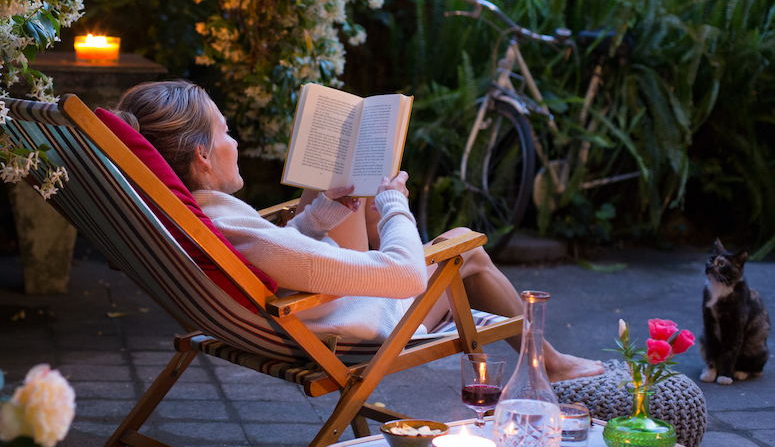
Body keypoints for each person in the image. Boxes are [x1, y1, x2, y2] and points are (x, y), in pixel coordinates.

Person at [114, 80, 603, 382]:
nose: (234, 141)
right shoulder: (240, 231)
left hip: (305, 307)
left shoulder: (197, 217)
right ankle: (549, 365)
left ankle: (544, 356)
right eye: (225, 132)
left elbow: (284, 257)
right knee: (465, 249)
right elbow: (406, 275)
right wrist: (395, 202)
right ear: (201, 155)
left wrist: (323, 214)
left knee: (350, 187)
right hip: (348, 329)